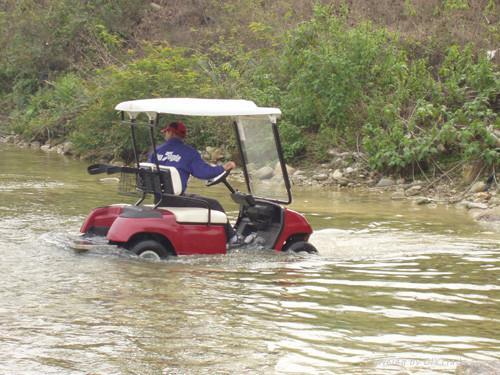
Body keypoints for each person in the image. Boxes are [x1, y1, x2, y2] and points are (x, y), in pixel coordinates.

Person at [148, 121, 240, 243]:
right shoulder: (188, 153)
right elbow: (204, 173)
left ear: (170, 132)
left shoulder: (156, 151)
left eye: (166, 132)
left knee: (196, 198)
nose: (165, 135)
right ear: (183, 135)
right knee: (214, 204)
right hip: (175, 199)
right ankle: (233, 239)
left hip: (159, 198)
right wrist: (223, 168)